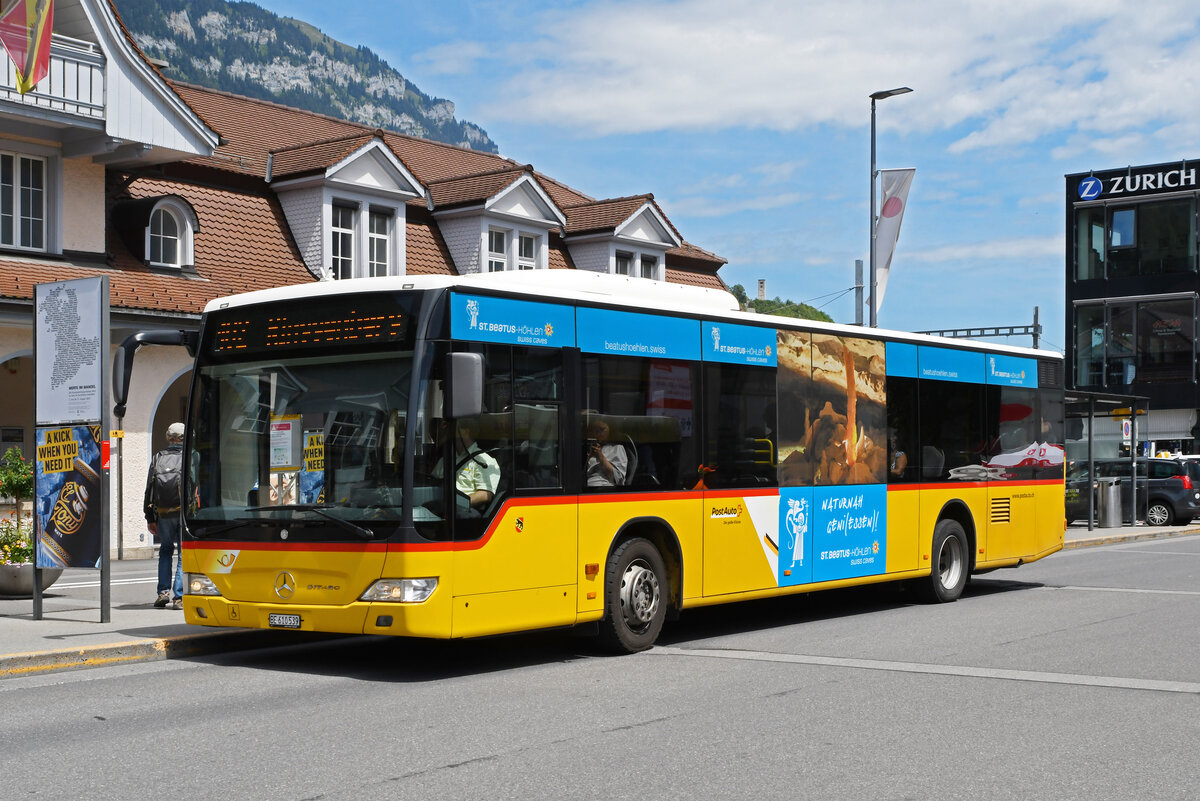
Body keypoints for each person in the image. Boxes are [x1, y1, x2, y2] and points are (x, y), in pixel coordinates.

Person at [145, 422, 185, 609]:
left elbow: (149, 490)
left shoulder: (158, 458)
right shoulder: (190, 456)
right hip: (183, 513)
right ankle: (179, 597)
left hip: (163, 513)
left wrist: (149, 517)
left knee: (165, 550)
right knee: (183, 554)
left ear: (169, 438)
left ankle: (163, 592)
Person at [433, 418, 500, 516]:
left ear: (465, 432)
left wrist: (456, 504)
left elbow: (485, 495)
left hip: (466, 512)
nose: (448, 433)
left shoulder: (483, 460)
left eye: (452, 428)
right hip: (440, 507)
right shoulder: (445, 460)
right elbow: (432, 483)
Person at [585, 420, 627, 487]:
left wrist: (601, 457)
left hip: (604, 487)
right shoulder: (588, 447)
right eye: (595, 430)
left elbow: (618, 479)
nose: (598, 433)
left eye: (602, 429)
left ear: (610, 430)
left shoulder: (617, 448)